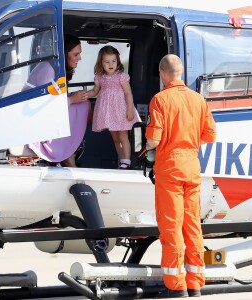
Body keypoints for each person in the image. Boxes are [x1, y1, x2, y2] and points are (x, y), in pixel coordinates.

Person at [145, 54, 216, 298]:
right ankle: (196, 282)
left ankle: (176, 286)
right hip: (192, 167)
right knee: (192, 225)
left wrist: (144, 149)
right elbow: (209, 136)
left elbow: (153, 140)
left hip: (170, 169)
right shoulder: (198, 99)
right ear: (181, 71)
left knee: (171, 226)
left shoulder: (160, 100)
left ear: (162, 72)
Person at [28, 34, 89, 167]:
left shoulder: (54, 69)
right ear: (64, 53)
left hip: (43, 118)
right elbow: (46, 105)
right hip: (36, 120)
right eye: (76, 54)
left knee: (83, 103)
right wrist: (72, 99)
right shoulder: (47, 70)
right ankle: (66, 153)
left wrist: (74, 98)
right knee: (82, 105)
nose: (80, 58)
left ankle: (68, 152)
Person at [87, 45, 140, 169]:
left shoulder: (121, 76)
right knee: (115, 139)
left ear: (118, 61)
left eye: (113, 61)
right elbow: (95, 91)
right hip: (109, 113)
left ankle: (127, 161)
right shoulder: (100, 77)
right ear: (101, 62)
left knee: (123, 136)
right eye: (107, 62)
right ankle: (122, 161)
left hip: (121, 111)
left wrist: (130, 109)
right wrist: (85, 94)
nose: (110, 64)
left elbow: (128, 93)